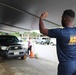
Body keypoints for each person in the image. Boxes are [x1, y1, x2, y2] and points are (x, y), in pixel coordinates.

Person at [39, 9, 76, 75]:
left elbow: (42, 30)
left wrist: (41, 18)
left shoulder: (60, 32)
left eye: (61, 17)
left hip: (65, 67)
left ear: (64, 18)